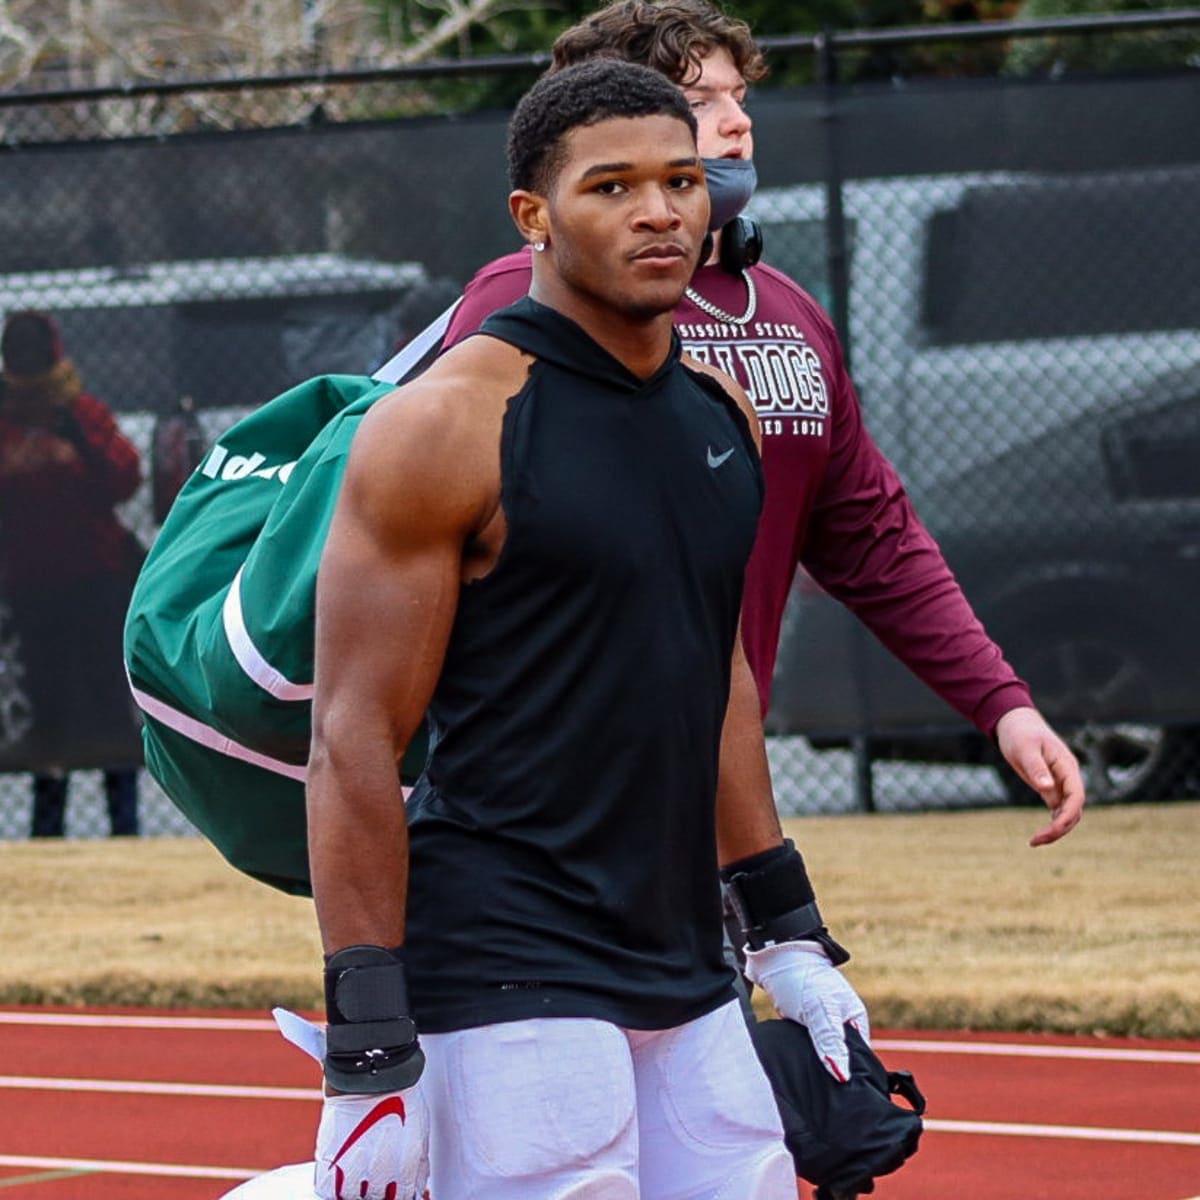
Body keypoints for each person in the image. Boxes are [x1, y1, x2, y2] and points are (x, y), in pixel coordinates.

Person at [304, 57, 851, 1199]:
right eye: (611, 187)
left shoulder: (722, 412)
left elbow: (718, 680)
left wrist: (787, 930)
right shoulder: (445, 427)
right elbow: (353, 735)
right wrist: (365, 1048)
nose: (660, 212)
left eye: (682, 181)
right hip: (504, 948)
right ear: (534, 217)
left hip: (682, 951)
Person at [442, 0, 1085, 846]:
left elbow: (871, 536)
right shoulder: (519, 301)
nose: (738, 123)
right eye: (702, 101)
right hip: (544, 799)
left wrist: (1001, 704)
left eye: (739, 96)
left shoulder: (788, 312)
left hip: (712, 789)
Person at [0, 310, 143, 837]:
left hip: (95, 580)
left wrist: (73, 445)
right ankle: (47, 829)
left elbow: (123, 477)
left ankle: (124, 826)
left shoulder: (81, 412)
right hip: (33, 587)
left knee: (109, 704)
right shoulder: (5, 420)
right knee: (48, 710)